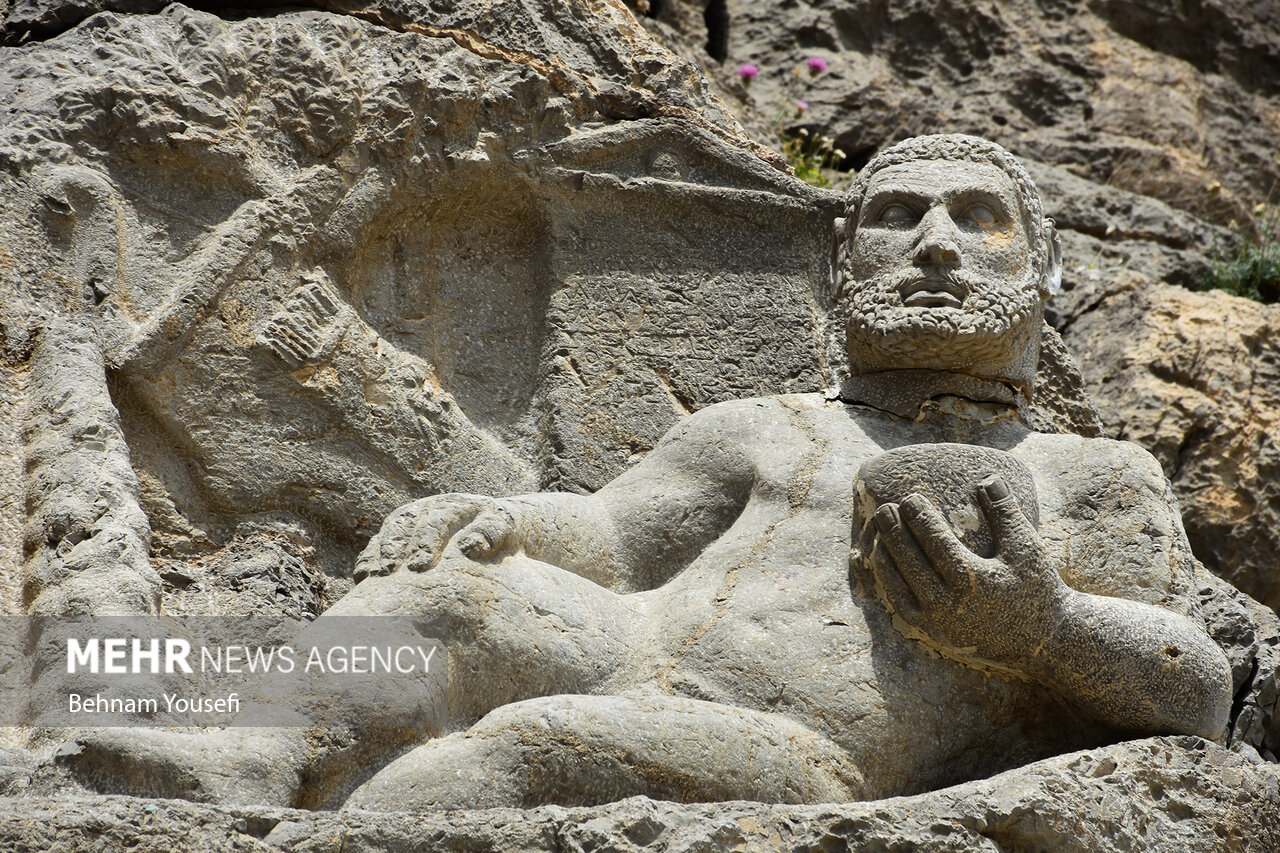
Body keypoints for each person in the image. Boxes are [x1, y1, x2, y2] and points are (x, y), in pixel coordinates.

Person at [63, 134, 1232, 810]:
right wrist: (493, 514)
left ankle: (352, 828)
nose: (934, 241)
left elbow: (1190, 693)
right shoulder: (759, 426)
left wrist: (1040, 628)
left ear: (1045, 265)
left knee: (539, 741)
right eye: (896, 216)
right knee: (448, 603)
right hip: (630, 643)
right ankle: (247, 762)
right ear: (840, 263)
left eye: (978, 219)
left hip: (807, 749)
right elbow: (615, 539)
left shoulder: (1092, 468)